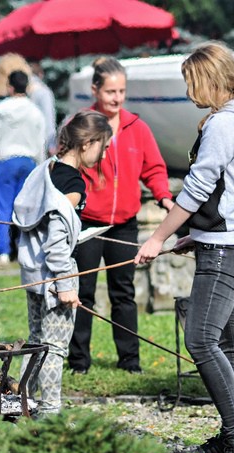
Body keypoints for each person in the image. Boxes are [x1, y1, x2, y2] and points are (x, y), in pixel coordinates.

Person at [135, 42, 234, 453]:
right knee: (229, 343)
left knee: (201, 340)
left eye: (192, 84)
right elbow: (226, 190)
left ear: (210, 81)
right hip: (225, 238)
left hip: (228, 246)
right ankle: (233, 432)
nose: (190, 93)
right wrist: (198, 234)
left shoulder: (225, 124)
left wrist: (156, 238)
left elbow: (196, 189)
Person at [68, 56, 175, 375]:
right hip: (87, 222)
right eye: (110, 91)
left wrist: (164, 197)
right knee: (82, 292)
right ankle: (78, 361)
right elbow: (64, 165)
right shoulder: (82, 124)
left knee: (123, 292)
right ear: (95, 90)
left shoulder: (137, 127)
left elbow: (153, 168)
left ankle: (130, 360)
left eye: (122, 91)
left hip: (123, 223)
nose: (117, 98)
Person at [14, 111, 113, 416]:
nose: (105, 153)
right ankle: (49, 411)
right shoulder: (72, 184)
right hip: (54, 275)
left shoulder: (47, 171)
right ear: (88, 144)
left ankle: (18, 402)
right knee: (54, 346)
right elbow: (56, 239)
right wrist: (65, 284)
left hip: (34, 272)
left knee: (35, 340)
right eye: (104, 146)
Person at [0, 70, 46, 263]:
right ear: (27, 87)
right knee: (25, 207)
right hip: (28, 160)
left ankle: (3, 250)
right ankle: (23, 247)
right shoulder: (34, 110)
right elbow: (41, 140)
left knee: (3, 206)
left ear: (10, 87)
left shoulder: (0, 108)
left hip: (5, 160)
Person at [28, 62, 58, 155]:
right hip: (40, 144)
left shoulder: (20, 89)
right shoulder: (43, 91)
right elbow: (49, 119)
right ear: (41, 74)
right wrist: (51, 145)